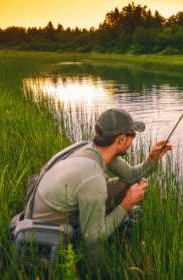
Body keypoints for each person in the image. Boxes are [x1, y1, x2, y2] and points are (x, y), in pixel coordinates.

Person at [25, 108, 172, 265]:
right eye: (132, 135)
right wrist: (126, 204)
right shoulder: (93, 176)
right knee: (95, 243)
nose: (132, 140)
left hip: (54, 208)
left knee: (123, 184)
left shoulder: (95, 149)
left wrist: (151, 159)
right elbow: (92, 236)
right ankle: (96, 270)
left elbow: (132, 176)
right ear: (121, 139)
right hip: (48, 230)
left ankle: (110, 222)